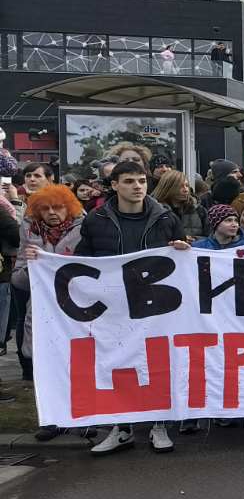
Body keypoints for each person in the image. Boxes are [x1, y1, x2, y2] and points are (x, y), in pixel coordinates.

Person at [78, 161, 189, 455]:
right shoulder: (96, 219)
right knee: (117, 365)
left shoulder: (165, 217)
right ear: (114, 185)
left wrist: (183, 250)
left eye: (141, 180)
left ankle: (159, 425)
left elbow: (184, 258)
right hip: (113, 307)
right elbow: (82, 263)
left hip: (156, 307)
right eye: (129, 181)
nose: (137, 186)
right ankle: (122, 427)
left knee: (157, 364)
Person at [12, 183, 84, 417]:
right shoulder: (29, 232)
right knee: (46, 370)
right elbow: (18, 281)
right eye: (45, 208)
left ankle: (82, 417)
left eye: (58, 207)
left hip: (77, 310)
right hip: (43, 313)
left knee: (78, 366)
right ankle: (51, 420)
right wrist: (31, 266)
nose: (52, 213)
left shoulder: (85, 229)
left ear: (69, 208)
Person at [153, 170, 204, 239]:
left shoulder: (198, 209)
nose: (186, 190)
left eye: (187, 185)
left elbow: (211, 237)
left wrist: (194, 240)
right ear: (168, 187)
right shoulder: (156, 211)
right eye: (180, 186)